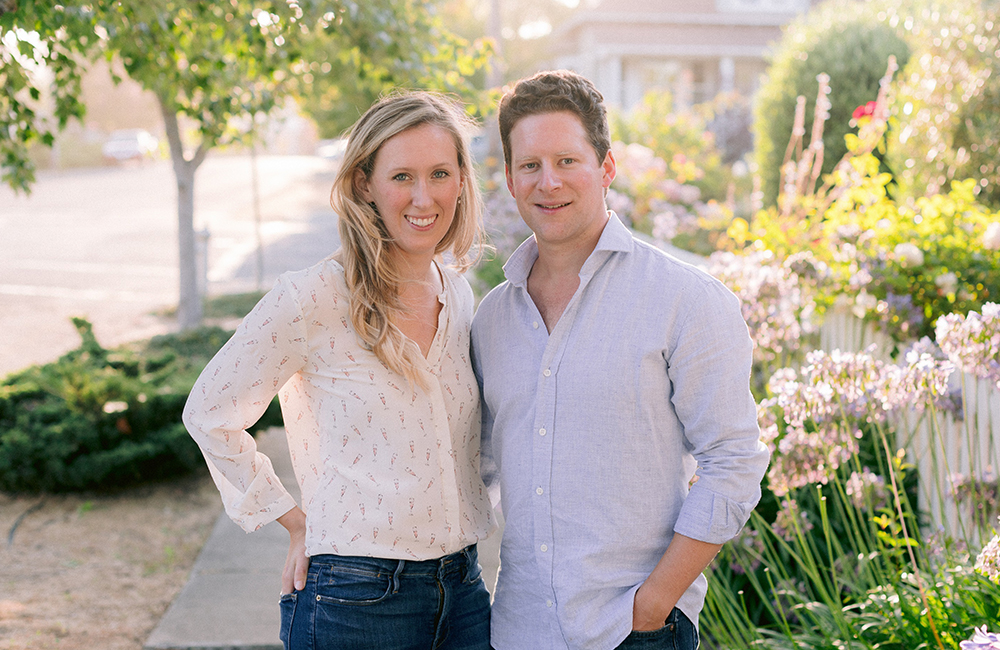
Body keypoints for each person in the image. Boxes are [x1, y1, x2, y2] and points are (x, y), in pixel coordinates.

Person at [183, 91, 496, 650]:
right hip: (357, 598)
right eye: (402, 176)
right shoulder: (311, 298)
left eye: (440, 173)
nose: (424, 197)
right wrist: (295, 520)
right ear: (363, 184)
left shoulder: (461, 294)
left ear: (461, 182)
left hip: (465, 594)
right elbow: (210, 412)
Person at [471, 70, 770, 650]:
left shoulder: (684, 299)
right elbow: (475, 467)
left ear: (606, 168)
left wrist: (654, 604)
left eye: (567, 161)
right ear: (509, 179)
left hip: (633, 633)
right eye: (529, 165)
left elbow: (733, 462)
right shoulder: (492, 318)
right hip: (518, 629)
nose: (547, 182)